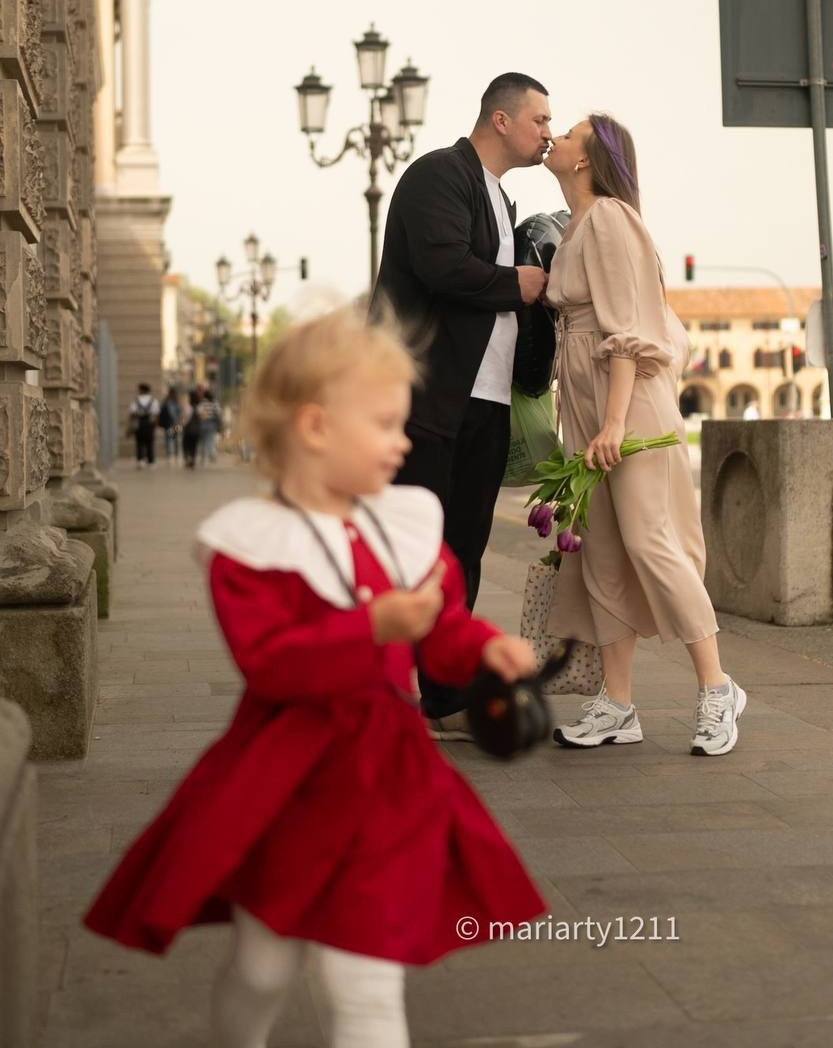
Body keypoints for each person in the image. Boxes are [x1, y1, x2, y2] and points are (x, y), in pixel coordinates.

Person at [83, 306, 545, 1048]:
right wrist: (373, 627)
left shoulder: (400, 525)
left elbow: (440, 626)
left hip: (384, 775)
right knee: (264, 966)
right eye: (386, 424)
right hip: (286, 777)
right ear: (316, 428)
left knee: (364, 981)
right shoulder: (252, 545)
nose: (404, 441)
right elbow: (270, 662)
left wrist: (487, 648)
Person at [543, 114, 746, 756]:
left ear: (587, 158)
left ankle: (717, 688)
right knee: (602, 553)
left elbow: (626, 329)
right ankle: (618, 705)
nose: (554, 136)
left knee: (650, 543)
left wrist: (613, 421)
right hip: (587, 407)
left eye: (567, 131)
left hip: (626, 407)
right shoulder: (575, 225)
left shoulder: (610, 217)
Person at [372, 72, 551, 739]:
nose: (547, 133)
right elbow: (442, 266)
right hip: (427, 398)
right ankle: (383, 692)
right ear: (501, 120)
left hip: (486, 400)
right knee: (411, 550)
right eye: (539, 119)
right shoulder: (437, 175)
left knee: (463, 550)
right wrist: (517, 283)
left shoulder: (500, 198)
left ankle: (444, 697)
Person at [128, 383, 159, 469]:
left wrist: (131, 422)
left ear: (141, 390)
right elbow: (156, 414)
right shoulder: (153, 400)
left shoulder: (136, 400)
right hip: (149, 423)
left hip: (139, 423)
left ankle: (140, 460)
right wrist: (155, 425)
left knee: (139, 442)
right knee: (150, 443)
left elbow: (132, 413)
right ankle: (151, 461)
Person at [157, 387, 182, 465]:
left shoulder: (167, 402)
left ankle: (172, 457)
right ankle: (172, 457)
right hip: (172, 424)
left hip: (171, 424)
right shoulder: (172, 402)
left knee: (171, 440)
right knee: (172, 440)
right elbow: (175, 414)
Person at [198, 388, 222, 463]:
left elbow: (199, 411)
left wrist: (204, 415)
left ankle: (204, 455)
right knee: (210, 439)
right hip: (212, 423)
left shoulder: (202, 402)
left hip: (203, 423)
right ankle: (210, 453)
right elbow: (218, 412)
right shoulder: (215, 402)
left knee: (203, 440)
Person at [182, 389, 202, 470]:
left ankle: (187, 459)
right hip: (196, 430)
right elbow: (201, 418)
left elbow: (184, 419)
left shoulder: (187, 407)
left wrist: (183, 425)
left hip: (188, 429)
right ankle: (192, 458)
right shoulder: (199, 407)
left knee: (186, 445)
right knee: (194, 446)